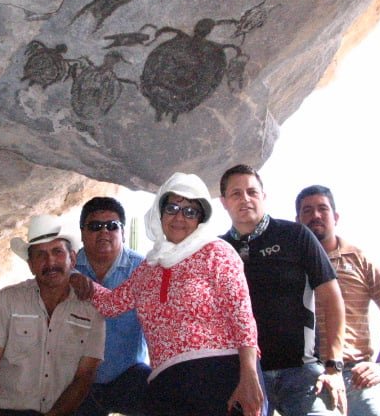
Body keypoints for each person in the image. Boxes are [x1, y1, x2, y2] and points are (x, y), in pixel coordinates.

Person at [71, 172, 266, 416]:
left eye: (190, 211)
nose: (179, 217)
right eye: (172, 207)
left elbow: (242, 315)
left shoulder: (217, 252)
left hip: (222, 373)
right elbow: (112, 304)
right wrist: (75, 278)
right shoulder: (147, 268)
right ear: (159, 212)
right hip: (167, 385)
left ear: (201, 217)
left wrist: (249, 376)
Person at [219, 164, 347, 416]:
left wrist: (334, 368)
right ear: (224, 202)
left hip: (302, 373)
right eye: (236, 194)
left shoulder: (296, 235)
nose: (245, 199)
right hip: (245, 376)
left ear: (263, 197)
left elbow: (332, 300)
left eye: (252, 192)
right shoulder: (217, 250)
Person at [0, 215, 106, 416]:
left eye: (57, 252)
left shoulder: (92, 312)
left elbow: (85, 376)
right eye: (40, 255)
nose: (50, 262)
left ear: (73, 259)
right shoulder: (5, 301)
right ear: (31, 265)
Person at [295, 185, 380, 416]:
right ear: (297, 221)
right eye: (307, 210)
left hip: (357, 376)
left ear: (335, 217)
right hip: (309, 380)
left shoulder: (358, 260)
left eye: (322, 209)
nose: (315, 215)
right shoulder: (289, 265)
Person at [73, 197, 151, 416]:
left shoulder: (143, 269)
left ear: (123, 232)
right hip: (78, 377)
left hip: (130, 374)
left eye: (112, 226)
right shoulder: (67, 269)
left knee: (161, 394)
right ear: (82, 233)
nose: (104, 232)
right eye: (95, 226)